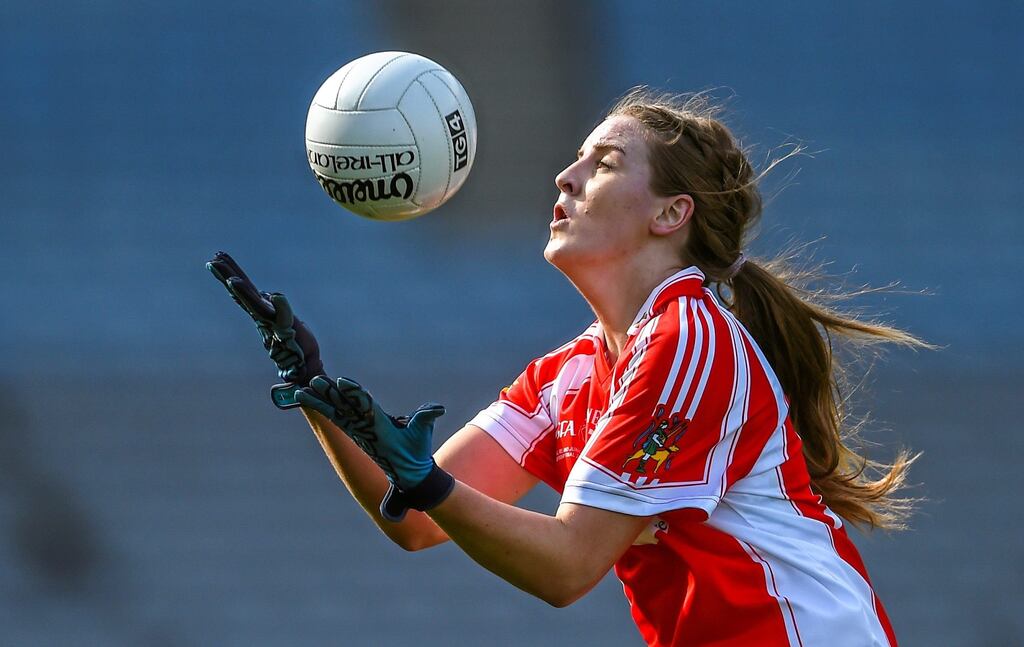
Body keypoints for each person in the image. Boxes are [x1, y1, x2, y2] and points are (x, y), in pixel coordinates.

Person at [208, 88, 924, 646]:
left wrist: (425, 480)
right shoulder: (570, 373)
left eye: (604, 162)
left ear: (671, 214)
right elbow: (418, 522)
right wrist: (316, 389)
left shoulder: (690, 341)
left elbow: (567, 565)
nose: (566, 174)